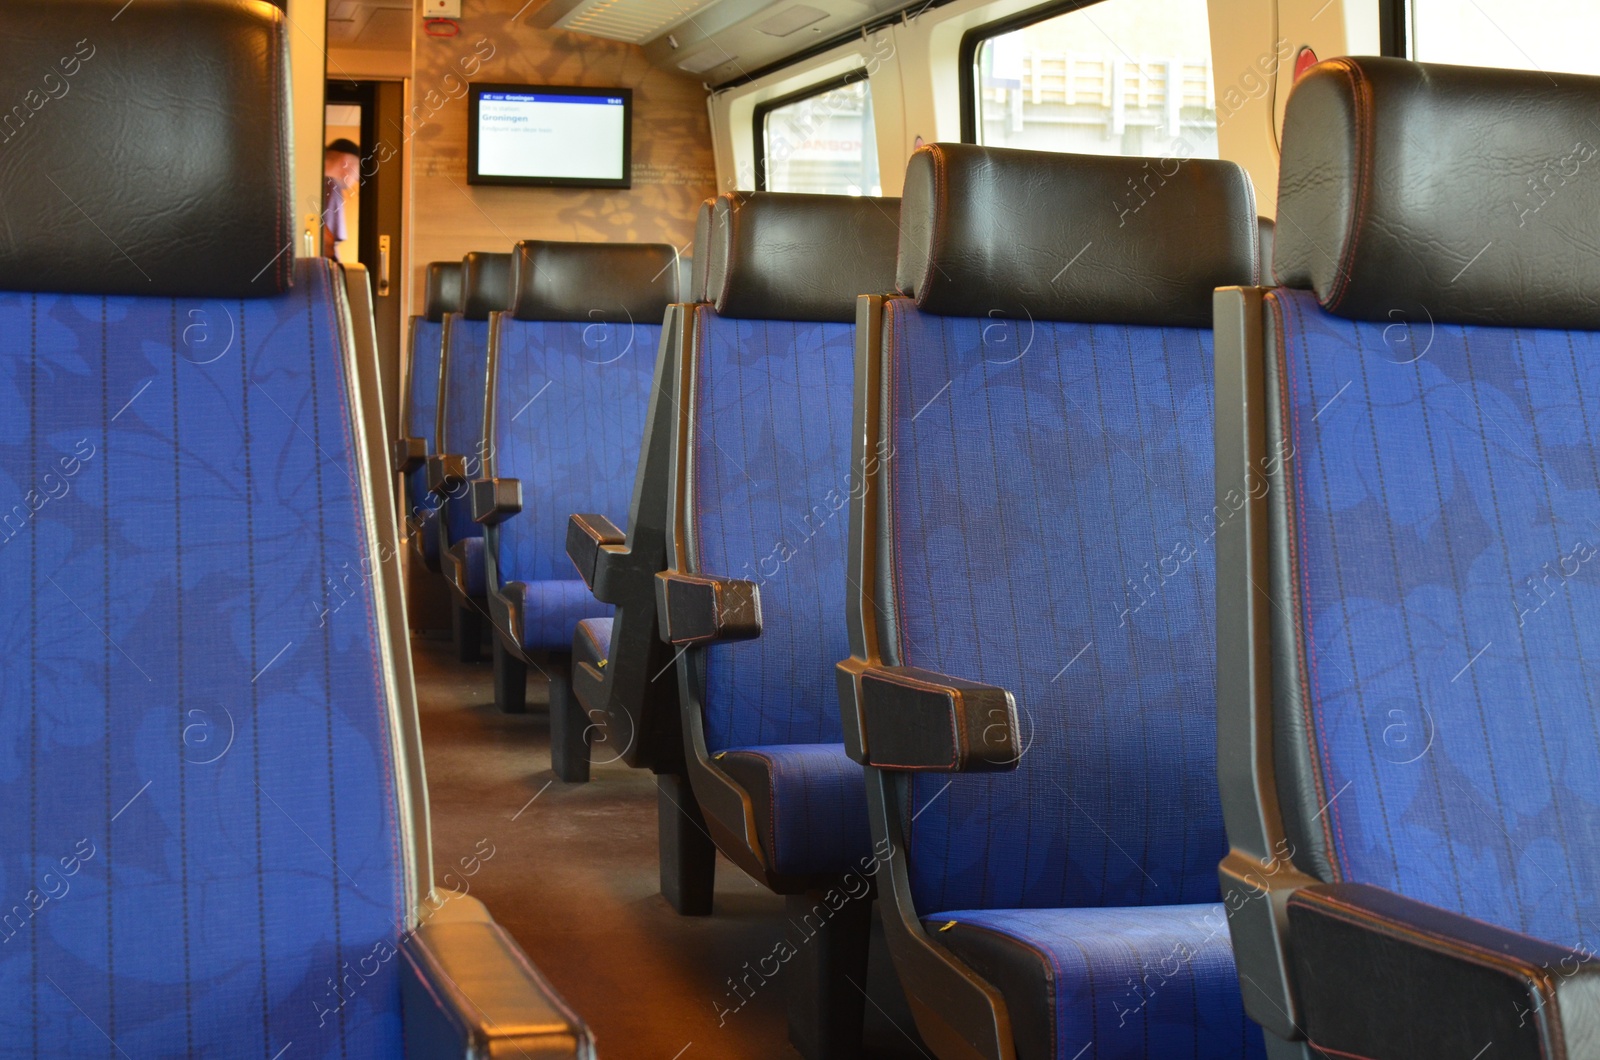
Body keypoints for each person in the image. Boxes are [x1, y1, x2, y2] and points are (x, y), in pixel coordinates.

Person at [322, 138, 360, 260]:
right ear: (346, 162)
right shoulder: (332, 188)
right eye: (358, 174)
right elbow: (328, 247)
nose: (356, 180)